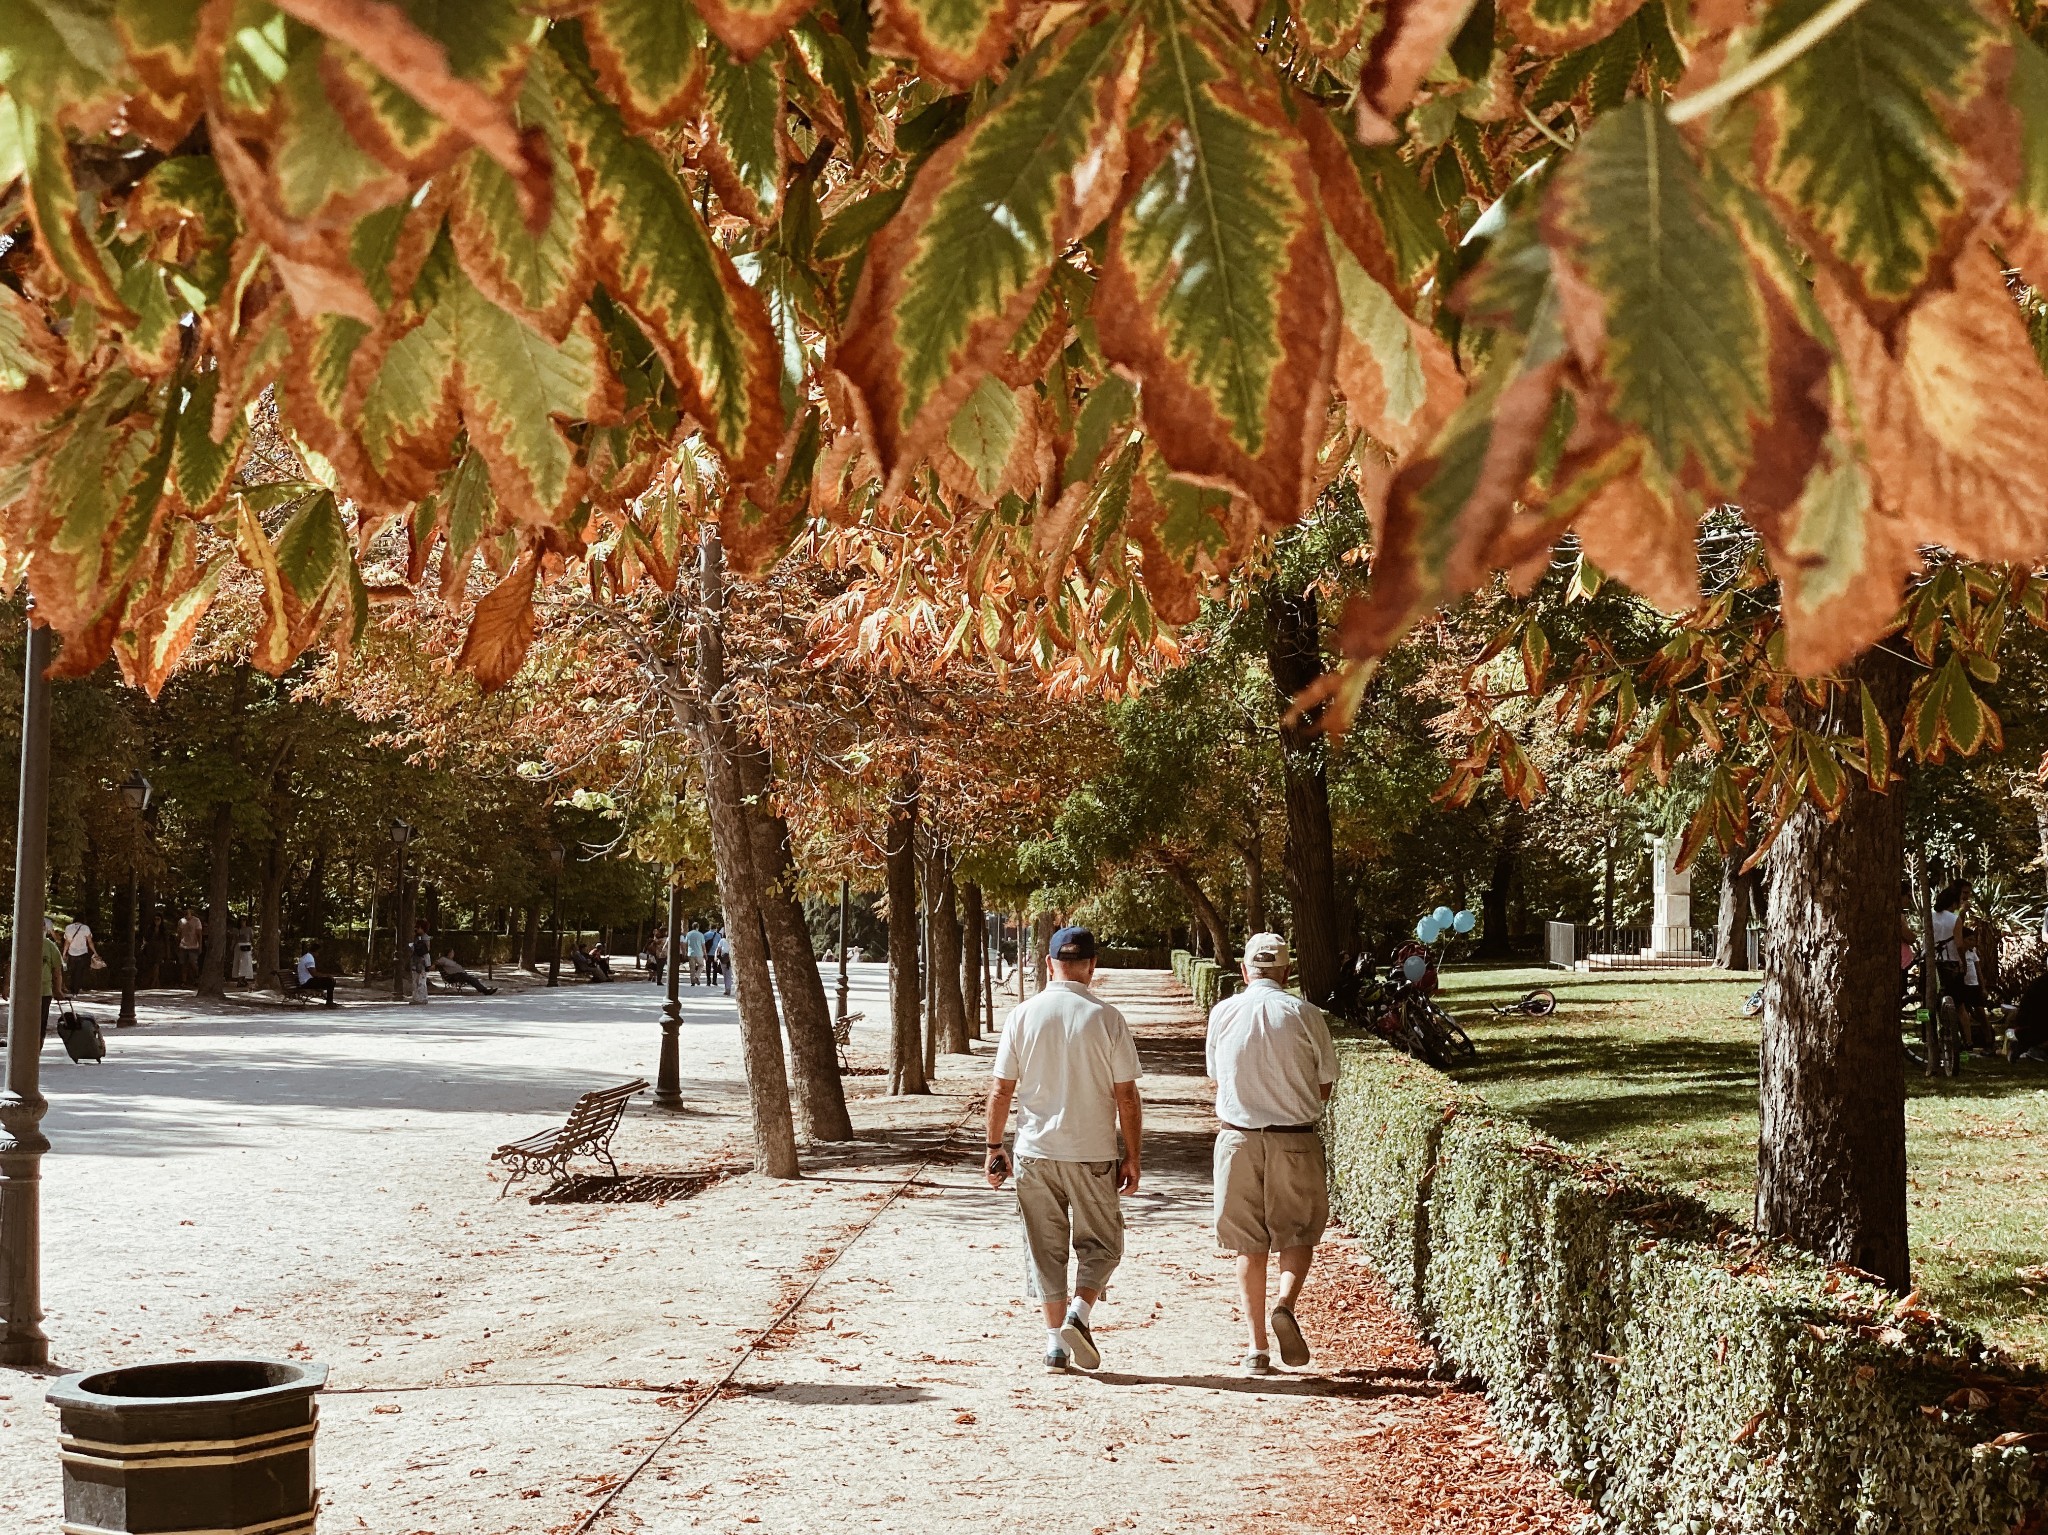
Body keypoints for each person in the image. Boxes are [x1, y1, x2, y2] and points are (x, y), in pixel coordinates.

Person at [984, 925, 1142, 1373]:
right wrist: (1133, 1155)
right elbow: (1126, 1096)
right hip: (1092, 1151)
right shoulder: (1107, 1018)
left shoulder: (1024, 1015)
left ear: (1049, 963)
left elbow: (1000, 1090)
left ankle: (1056, 1345)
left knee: (1043, 1249)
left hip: (1035, 1151)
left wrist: (995, 1147)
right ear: (1092, 965)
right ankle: (1081, 1313)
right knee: (1104, 1244)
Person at [1206, 931, 1339, 1376]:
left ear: (1245, 971)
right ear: (1287, 972)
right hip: (1295, 1136)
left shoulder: (1223, 1013)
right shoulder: (1306, 1014)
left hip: (1238, 1137)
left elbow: (1217, 1077)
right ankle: (1285, 1303)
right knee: (1298, 1232)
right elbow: (1325, 1084)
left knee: (1249, 1242)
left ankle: (1256, 1348)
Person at [39, 918, 66, 1040]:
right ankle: (35, 1052)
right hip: (41, 991)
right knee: (41, 1023)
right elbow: (57, 971)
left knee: (40, 1023)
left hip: (43, 991)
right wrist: (58, 990)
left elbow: (57, 970)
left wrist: (57, 990)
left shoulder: (50, 946)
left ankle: (35, 1051)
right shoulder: (51, 946)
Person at [61, 915, 98, 994]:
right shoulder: (85, 928)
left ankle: (72, 988)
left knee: (72, 971)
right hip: (82, 952)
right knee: (79, 972)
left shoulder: (68, 928)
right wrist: (95, 952)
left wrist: (64, 953)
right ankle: (76, 989)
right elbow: (90, 942)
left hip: (71, 952)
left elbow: (67, 942)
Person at [176, 907, 204, 988]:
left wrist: (200, 945)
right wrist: (177, 945)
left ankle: (197, 978)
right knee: (183, 964)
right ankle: (183, 982)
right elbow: (179, 934)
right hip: (183, 945)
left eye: (187, 911)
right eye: (184, 911)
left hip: (193, 946)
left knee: (193, 962)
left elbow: (199, 934)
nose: (186, 913)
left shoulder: (196, 921)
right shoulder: (181, 921)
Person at [409, 921, 431, 1004]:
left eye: (418, 927)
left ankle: (419, 998)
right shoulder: (421, 937)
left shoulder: (423, 938)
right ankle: (421, 998)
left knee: (419, 980)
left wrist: (414, 947)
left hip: (420, 961)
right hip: (421, 961)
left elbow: (424, 950)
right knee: (419, 979)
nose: (416, 929)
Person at [231, 916, 255, 987]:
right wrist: (232, 947)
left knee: (245, 963)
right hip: (238, 947)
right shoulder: (236, 930)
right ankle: (240, 979)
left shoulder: (249, 929)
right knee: (238, 963)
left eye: (244, 920)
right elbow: (234, 939)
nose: (242, 921)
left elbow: (252, 939)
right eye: (241, 920)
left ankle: (242, 979)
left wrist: (255, 948)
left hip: (246, 946)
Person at [684, 921, 706, 986]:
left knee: (692, 968)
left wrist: (685, 951)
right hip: (699, 953)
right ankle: (697, 977)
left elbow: (686, 943)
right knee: (701, 965)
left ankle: (692, 981)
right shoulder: (701, 934)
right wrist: (705, 953)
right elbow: (703, 945)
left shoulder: (688, 934)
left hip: (691, 953)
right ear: (697, 927)